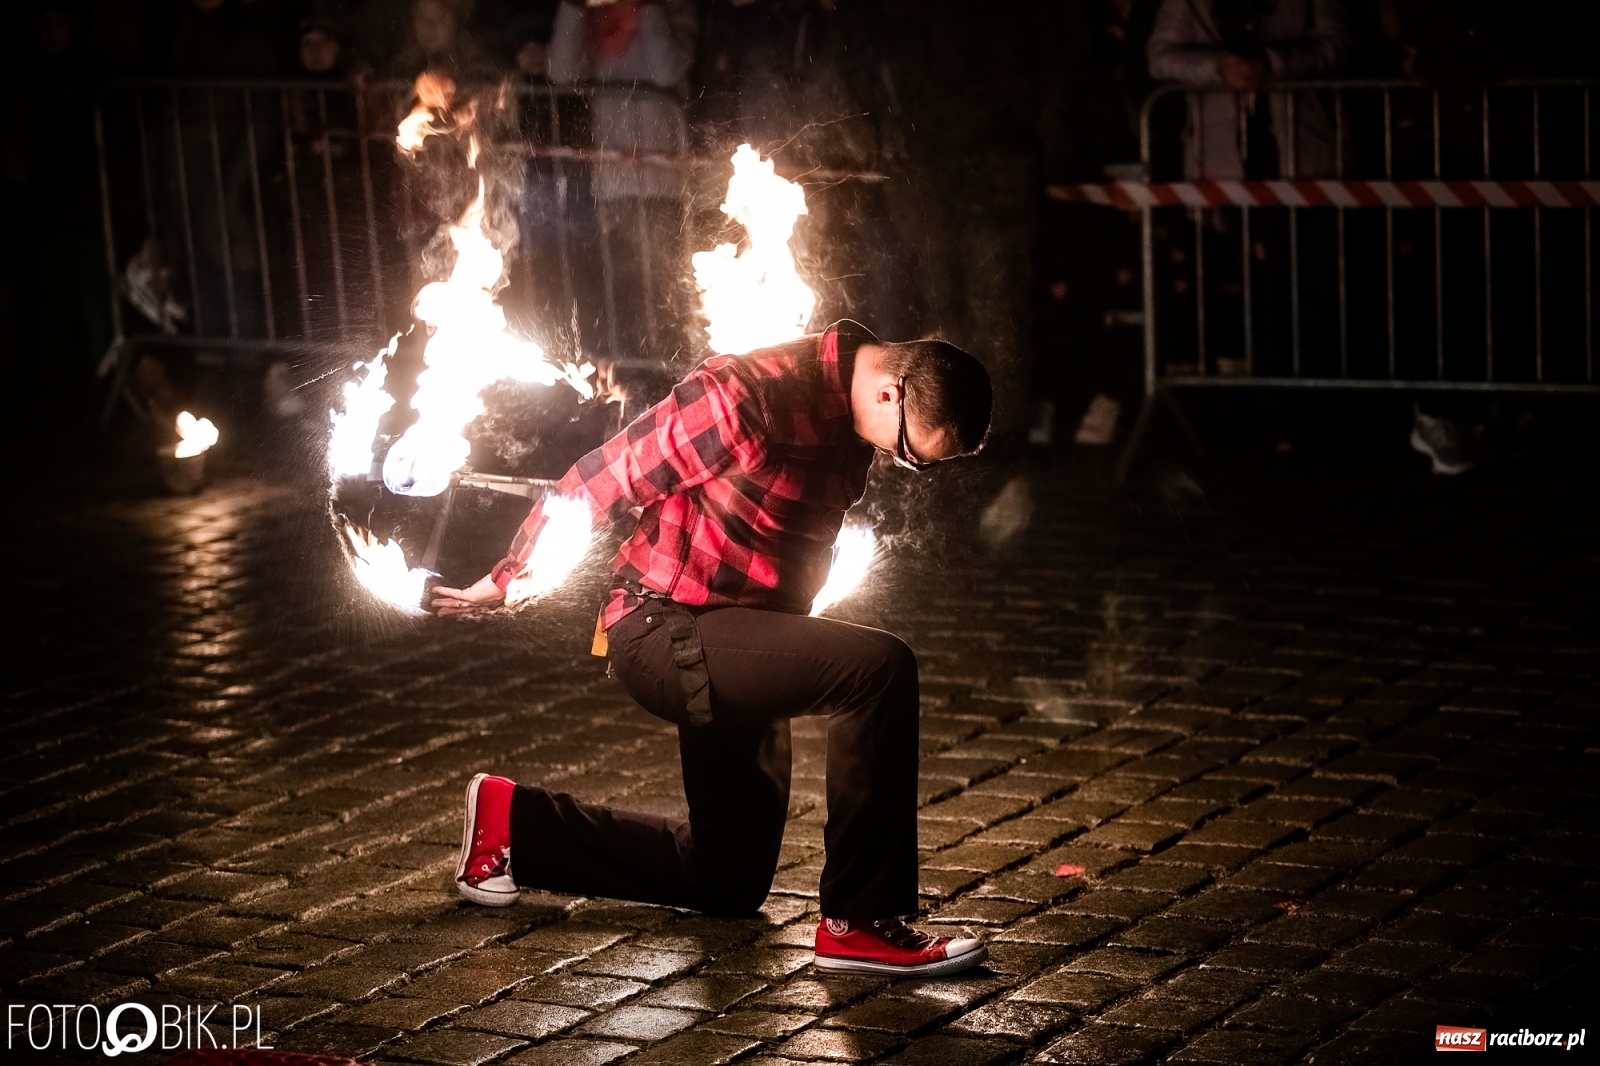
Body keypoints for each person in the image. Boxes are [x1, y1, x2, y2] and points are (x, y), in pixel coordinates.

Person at [431, 321, 994, 977]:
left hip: (741, 638)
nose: (903, 465)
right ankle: (861, 922)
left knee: (727, 877)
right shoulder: (750, 394)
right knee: (880, 670)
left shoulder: (848, 414)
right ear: (890, 393)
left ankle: (514, 826)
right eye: (910, 454)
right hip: (665, 629)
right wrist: (508, 578)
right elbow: (602, 478)